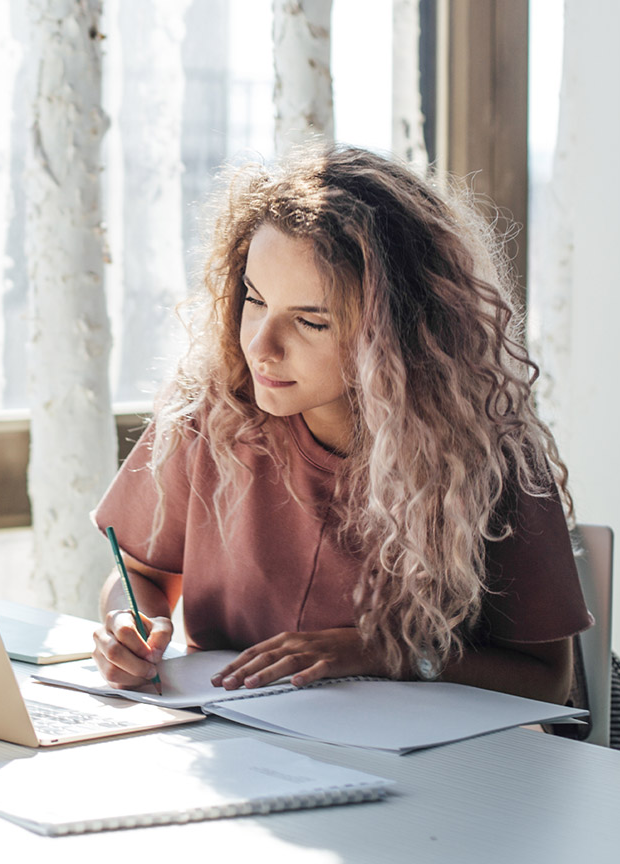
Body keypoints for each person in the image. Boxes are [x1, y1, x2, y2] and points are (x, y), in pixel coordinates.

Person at [92, 145, 591, 705]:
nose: (260, 347)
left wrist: (379, 652)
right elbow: (142, 576)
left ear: (397, 333)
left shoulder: (485, 454)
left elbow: (549, 681)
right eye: (254, 300)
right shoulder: (210, 416)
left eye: (310, 321)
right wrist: (129, 626)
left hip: (433, 767)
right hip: (239, 748)